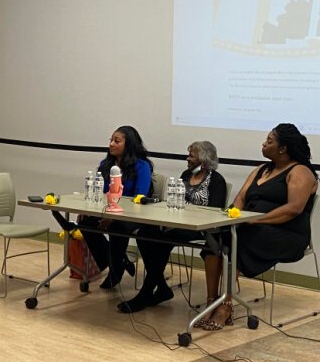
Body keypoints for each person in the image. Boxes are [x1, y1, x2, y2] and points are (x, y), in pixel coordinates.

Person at [197, 123, 318, 330]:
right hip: (251, 227)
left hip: (287, 233)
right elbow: (241, 197)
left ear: (283, 148)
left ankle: (226, 306)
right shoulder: (261, 170)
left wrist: (256, 220)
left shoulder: (300, 171)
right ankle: (211, 301)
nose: (263, 144)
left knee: (238, 240)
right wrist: (231, 218)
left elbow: (293, 209)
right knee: (216, 237)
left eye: (269, 141)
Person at [117, 141, 227, 313]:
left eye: (192, 156)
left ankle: (146, 293)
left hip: (199, 228)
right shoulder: (186, 175)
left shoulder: (216, 180)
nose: (187, 159)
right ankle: (161, 287)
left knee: (162, 241)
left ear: (204, 160)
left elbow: (214, 212)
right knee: (145, 233)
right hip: (176, 222)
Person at [80, 126, 153, 289]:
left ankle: (116, 269)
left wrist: (113, 216)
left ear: (129, 144)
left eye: (117, 141)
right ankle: (118, 262)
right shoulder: (106, 164)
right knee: (86, 222)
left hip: (134, 214)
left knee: (117, 225)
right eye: (111, 140)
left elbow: (139, 198)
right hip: (109, 210)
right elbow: (101, 193)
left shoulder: (142, 166)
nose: (111, 144)